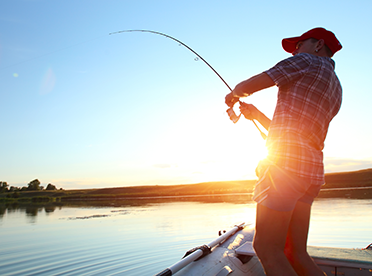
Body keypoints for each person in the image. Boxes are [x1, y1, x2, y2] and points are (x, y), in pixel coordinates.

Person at [225, 27, 342, 276]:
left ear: (318, 45)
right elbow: (297, 130)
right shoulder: (336, 86)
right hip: (310, 171)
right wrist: (256, 115)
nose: (295, 51)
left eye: (299, 45)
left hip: (285, 169)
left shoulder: (306, 61)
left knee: (267, 248)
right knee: (296, 253)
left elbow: (249, 85)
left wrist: (234, 93)